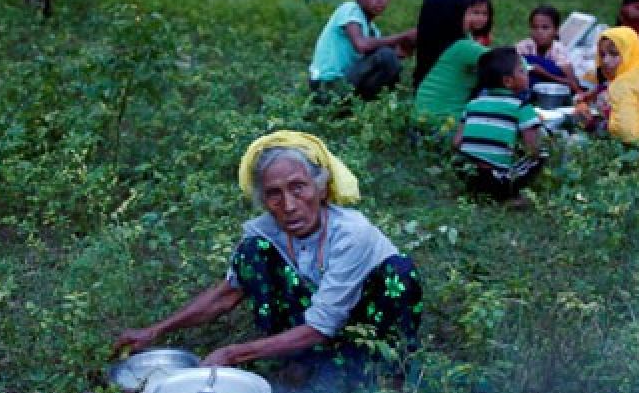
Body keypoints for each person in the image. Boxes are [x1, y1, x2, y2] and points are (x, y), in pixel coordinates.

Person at [112, 132, 424, 373]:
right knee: (253, 252)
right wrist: (155, 331)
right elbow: (227, 294)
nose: (288, 205)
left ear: (321, 187)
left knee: (400, 272)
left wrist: (235, 353)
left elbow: (321, 326)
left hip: (360, 323)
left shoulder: (351, 234)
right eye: (274, 194)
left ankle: (386, 372)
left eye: (298, 187)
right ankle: (296, 363)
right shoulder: (265, 232)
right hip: (315, 326)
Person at [308, 0, 417, 101]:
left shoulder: (373, 30)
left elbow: (377, 60)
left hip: (345, 85)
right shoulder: (350, 9)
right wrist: (403, 36)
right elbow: (361, 45)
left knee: (389, 57)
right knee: (386, 55)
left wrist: (407, 47)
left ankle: (370, 107)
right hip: (326, 86)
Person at [453, 47, 545, 201]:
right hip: (497, 179)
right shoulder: (521, 106)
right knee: (541, 155)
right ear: (508, 81)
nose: (527, 74)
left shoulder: (472, 104)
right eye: (522, 71)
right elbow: (532, 150)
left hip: (466, 172)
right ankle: (509, 195)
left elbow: (456, 143)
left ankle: (473, 190)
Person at [413, 0, 489, 122]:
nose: (471, 18)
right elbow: (507, 62)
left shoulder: (434, 44)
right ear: (456, 17)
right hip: (446, 128)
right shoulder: (463, 48)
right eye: (468, 13)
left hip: (421, 126)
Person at [514, 4, 582, 92]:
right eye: (534, 27)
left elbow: (574, 85)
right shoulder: (523, 47)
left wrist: (543, 73)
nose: (539, 32)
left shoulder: (558, 51)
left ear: (556, 30)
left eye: (545, 28)